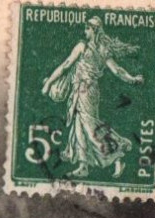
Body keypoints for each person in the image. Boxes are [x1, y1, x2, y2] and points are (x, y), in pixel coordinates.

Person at [42, 16, 144, 179]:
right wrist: (132, 79)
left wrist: (48, 84)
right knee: (79, 126)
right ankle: (83, 166)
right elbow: (117, 70)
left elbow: (66, 65)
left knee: (90, 126)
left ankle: (117, 156)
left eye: (87, 28)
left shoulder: (83, 47)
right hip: (86, 90)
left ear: (93, 30)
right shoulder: (103, 49)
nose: (85, 31)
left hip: (86, 92)